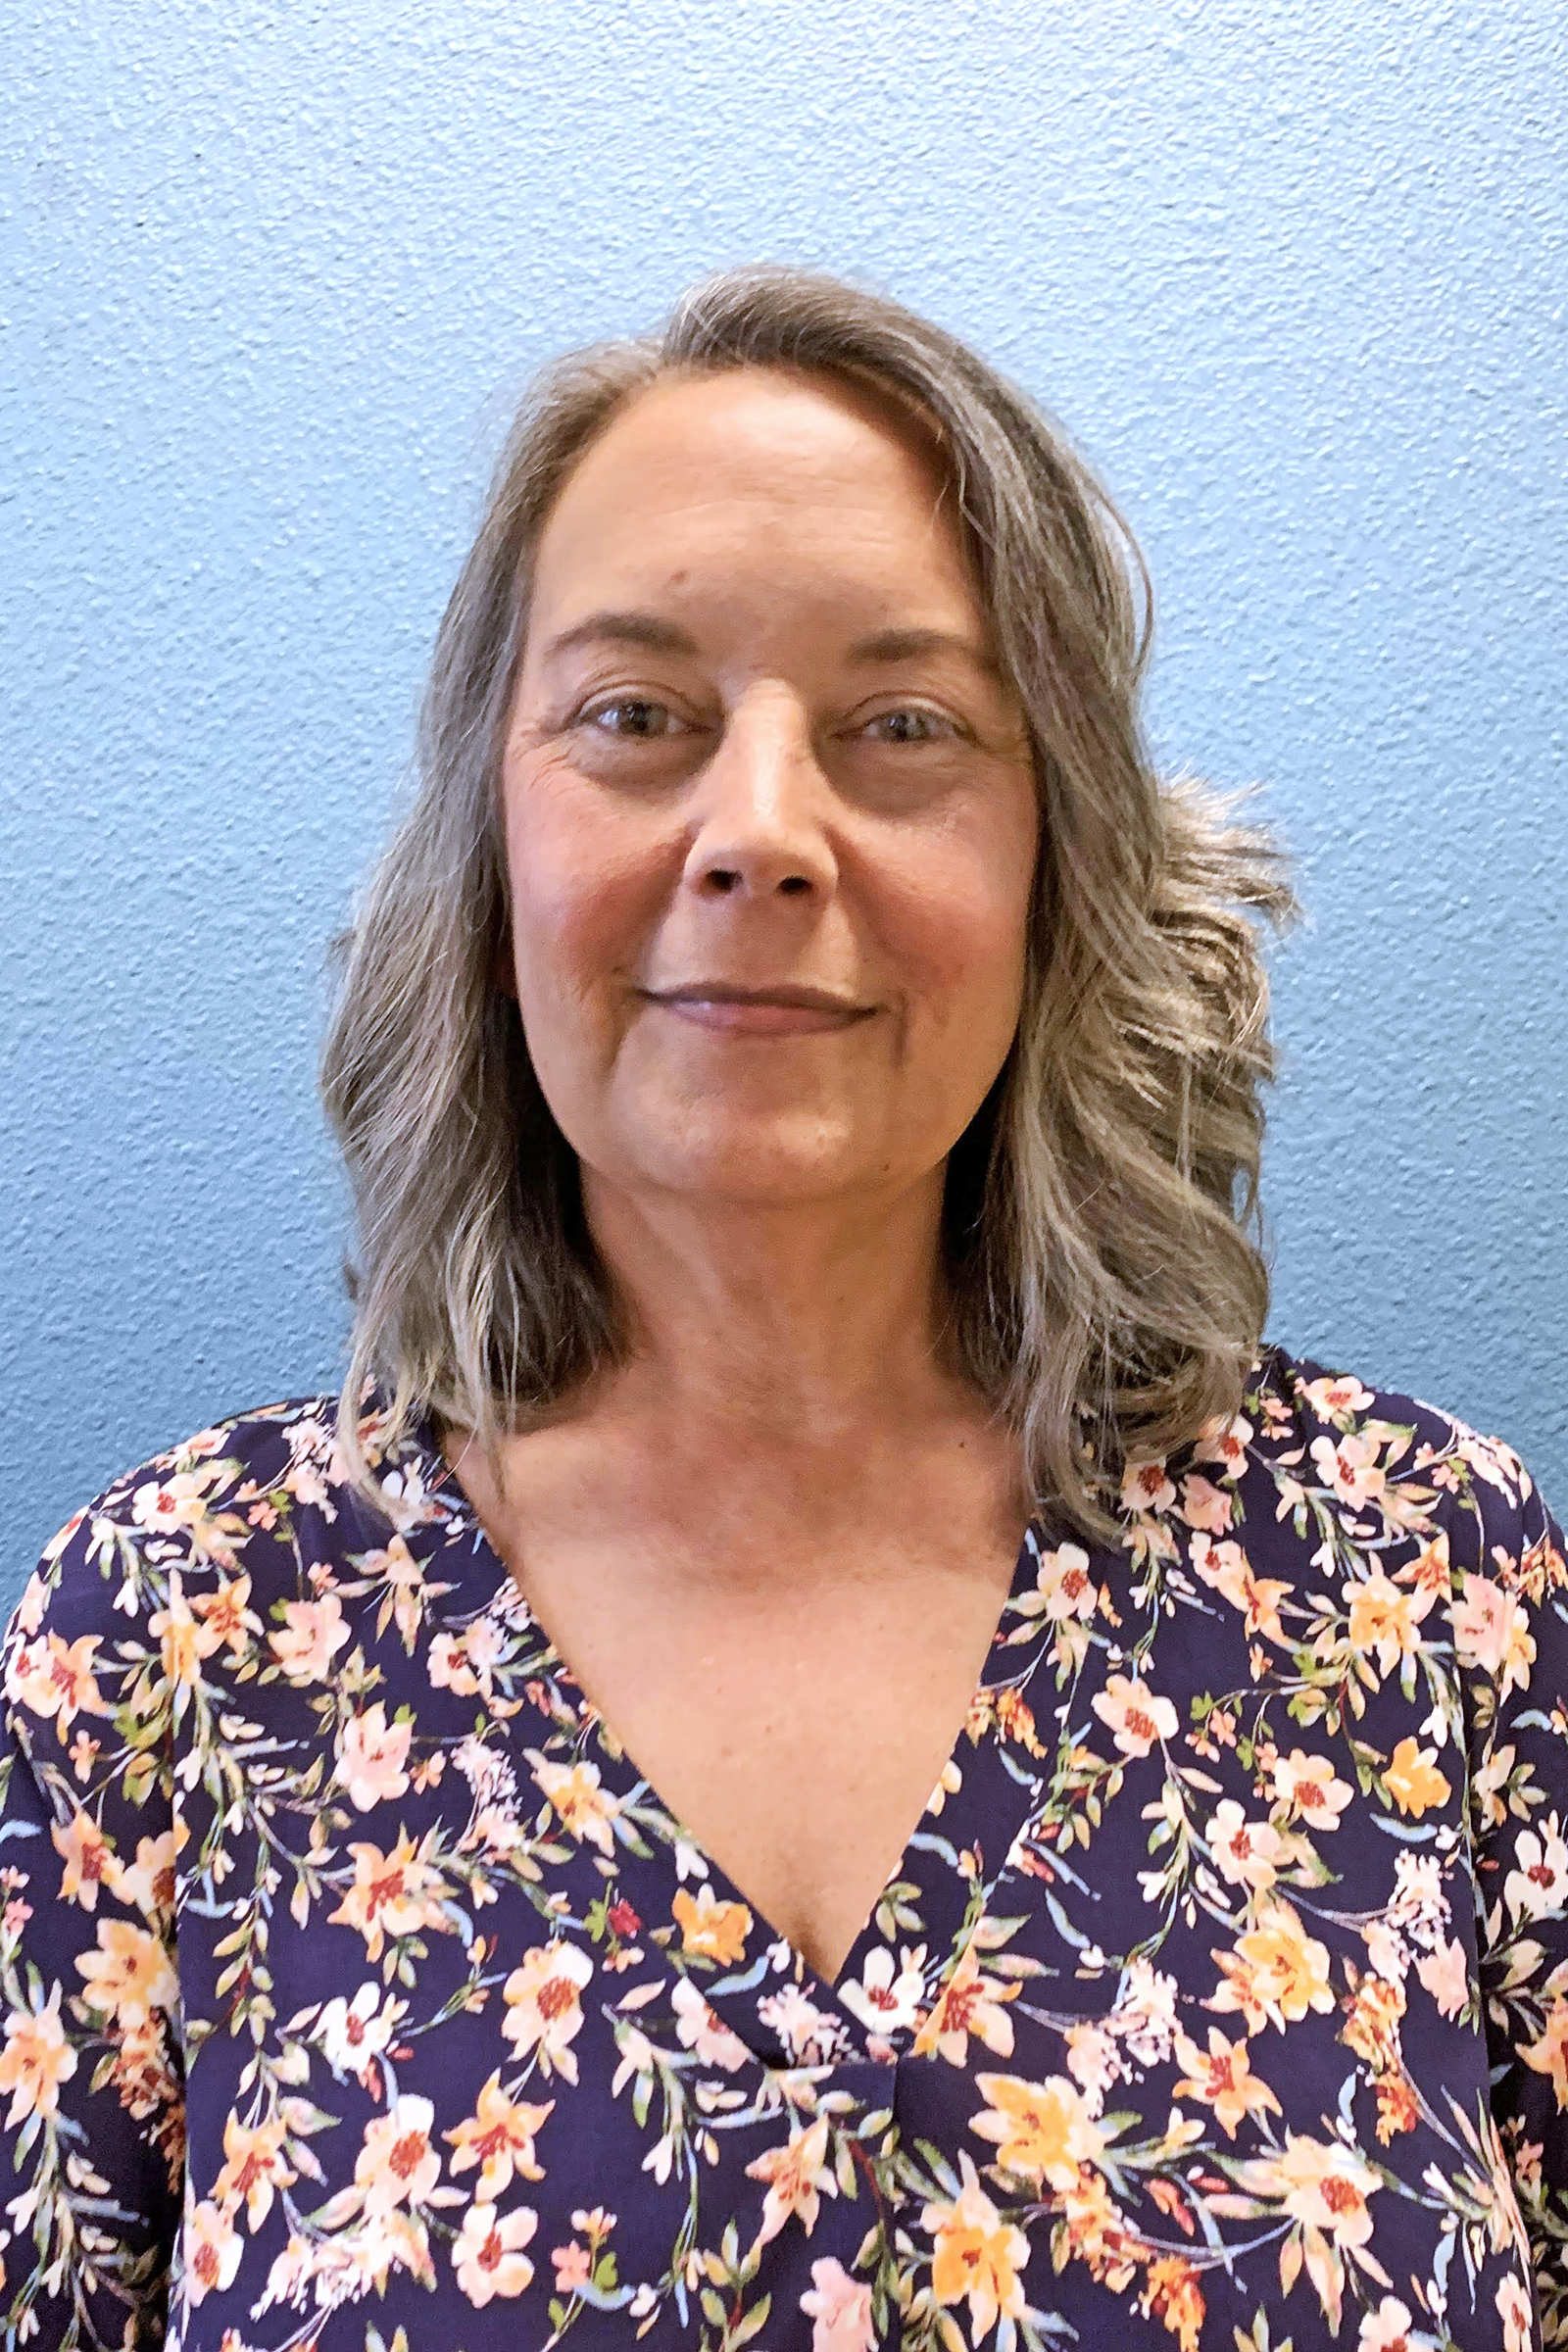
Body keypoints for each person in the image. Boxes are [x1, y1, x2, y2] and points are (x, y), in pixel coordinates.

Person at [2, 265, 1562, 2352]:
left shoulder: (1426, 1584)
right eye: (634, 717)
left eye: (898, 727)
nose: (757, 831)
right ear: (492, 846)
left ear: (1054, 862)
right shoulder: (170, 1640)